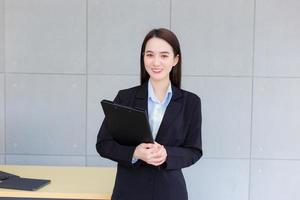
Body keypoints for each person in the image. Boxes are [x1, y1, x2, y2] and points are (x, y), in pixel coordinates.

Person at [96, 28, 202, 200]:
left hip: (170, 193)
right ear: (143, 57)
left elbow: (194, 151)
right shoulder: (125, 97)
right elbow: (103, 144)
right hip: (129, 192)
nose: (156, 62)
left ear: (175, 60)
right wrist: (135, 153)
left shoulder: (190, 103)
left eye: (164, 55)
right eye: (150, 55)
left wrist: (167, 153)